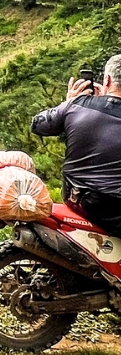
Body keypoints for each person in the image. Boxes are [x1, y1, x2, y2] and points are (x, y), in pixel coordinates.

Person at [32, 54, 121, 237]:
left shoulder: (75, 105)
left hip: (74, 196)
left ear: (107, 80)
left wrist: (69, 101)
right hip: (112, 209)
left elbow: (38, 125)